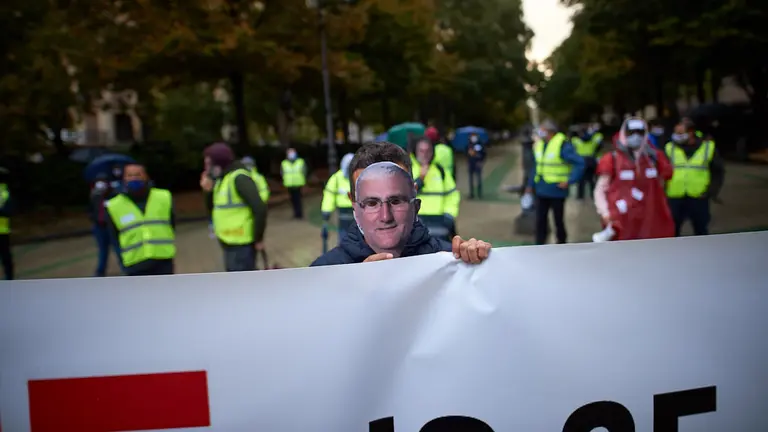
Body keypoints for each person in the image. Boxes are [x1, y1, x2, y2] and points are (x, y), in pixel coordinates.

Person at [310, 142, 491, 266]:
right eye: (372, 202)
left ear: (413, 194)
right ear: (353, 202)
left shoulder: (449, 259)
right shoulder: (324, 273)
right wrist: (353, 287)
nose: (385, 216)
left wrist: (478, 268)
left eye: (396, 200)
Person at [593, 117, 675, 241]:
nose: (636, 136)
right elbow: (600, 189)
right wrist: (605, 213)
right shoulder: (612, 159)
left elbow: (666, 178)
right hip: (622, 223)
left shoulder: (654, 158)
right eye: (631, 133)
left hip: (652, 223)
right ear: (624, 133)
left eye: (640, 132)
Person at [204, 142, 267, 271]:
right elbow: (213, 209)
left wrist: (258, 238)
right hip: (228, 241)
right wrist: (208, 191)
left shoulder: (239, 178)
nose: (206, 168)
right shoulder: (222, 179)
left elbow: (260, 208)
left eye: (209, 163)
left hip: (241, 244)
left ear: (218, 163)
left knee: (243, 285)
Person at [105, 164, 176, 276]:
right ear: (124, 179)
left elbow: (172, 224)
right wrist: (122, 262)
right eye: (130, 175)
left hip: (163, 260)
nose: (134, 178)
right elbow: (114, 237)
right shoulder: (114, 205)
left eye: (138, 174)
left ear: (146, 176)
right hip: (134, 264)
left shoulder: (163, 197)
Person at [525, 119, 585, 245]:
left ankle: (561, 243)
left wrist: (570, 181)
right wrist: (530, 185)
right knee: (540, 220)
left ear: (550, 132)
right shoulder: (540, 144)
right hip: (541, 189)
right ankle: (539, 245)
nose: (540, 132)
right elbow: (537, 166)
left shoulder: (562, 145)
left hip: (557, 191)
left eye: (542, 130)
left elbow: (580, 163)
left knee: (558, 220)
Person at [665, 121, 725, 236]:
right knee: (672, 231)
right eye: (675, 132)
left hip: (699, 197)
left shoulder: (708, 147)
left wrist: (711, 191)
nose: (677, 135)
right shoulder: (669, 147)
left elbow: (718, 172)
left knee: (701, 230)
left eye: (680, 132)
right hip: (675, 196)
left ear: (691, 132)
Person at [409, 136, 461, 241]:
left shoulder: (440, 170)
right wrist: (420, 179)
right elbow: (405, 195)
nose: (425, 154)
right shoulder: (408, 170)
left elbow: (452, 195)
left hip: (440, 221)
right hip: (416, 221)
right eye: (421, 151)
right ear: (415, 151)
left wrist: (449, 215)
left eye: (428, 150)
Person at [321, 152, 355, 243]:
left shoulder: (359, 176)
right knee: (344, 234)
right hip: (343, 211)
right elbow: (329, 195)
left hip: (357, 210)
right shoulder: (336, 178)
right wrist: (326, 210)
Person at [89, 173, 114, 276]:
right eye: (99, 181)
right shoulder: (94, 195)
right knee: (102, 249)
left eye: (103, 181)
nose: (101, 184)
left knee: (118, 249)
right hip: (99, 226)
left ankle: (126, 268)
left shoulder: (113, 194)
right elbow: (91, 210)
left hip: (111, 226)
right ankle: (100, 271)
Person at [572, 126, 600, 200]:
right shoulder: (593, 139)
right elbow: (599, 145)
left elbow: (572, 148)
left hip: (581, 161)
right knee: (591, 180)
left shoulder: (576, 140)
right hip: (591, 161)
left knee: (581, 180)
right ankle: (593, 195)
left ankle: (580, 196)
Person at [281, 147, 307, 219]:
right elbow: (282, 173)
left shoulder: (300, 161)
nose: (291, 154)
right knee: (292, 199)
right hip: (289, 184)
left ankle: (299, 213)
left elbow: (304, 171)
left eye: (292, 152)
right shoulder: (284, 163)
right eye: (289, 152)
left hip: (298, 183)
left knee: (298, 199)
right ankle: (296, 213)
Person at [0, 168, 14, 280]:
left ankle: (9, 277)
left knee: (5, 255)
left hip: (2, 229)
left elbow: (8, 210)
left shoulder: (4, 191)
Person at [467, 133, 486, 199]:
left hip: (478, 163)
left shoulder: (480, 144)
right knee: (471, 180)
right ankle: (471, 194)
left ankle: (480, 194)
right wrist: (469, 153)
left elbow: (484, 153)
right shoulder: (469, 144)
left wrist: (481, 161)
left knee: (478, 179)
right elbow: (466, 153)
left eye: (474, 136)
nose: (473, 137)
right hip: (471, 164)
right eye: (472, 136)